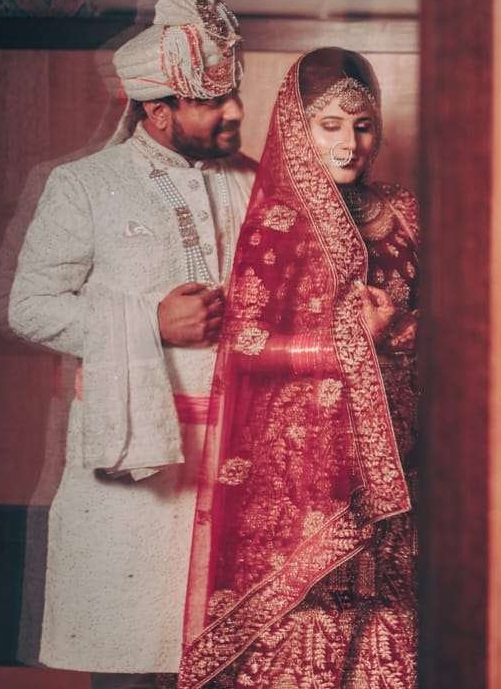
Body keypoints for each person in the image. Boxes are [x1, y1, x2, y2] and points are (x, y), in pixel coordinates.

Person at [7, 0, 253, 686]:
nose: (234, 111)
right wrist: (151, 319)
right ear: (158, 110)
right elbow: (31, 305)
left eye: (231, 94)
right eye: (211, 101)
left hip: (234, 456)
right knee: (128, 658)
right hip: (133, 464)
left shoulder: (253, 183)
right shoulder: (85, 185)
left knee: (226, 659)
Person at [177, 48, 418, 688]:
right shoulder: (277, 221)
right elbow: (244, 344)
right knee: (312, 616)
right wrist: (344, 346)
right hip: (301, 463)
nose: (349, 143)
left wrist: (397, 328)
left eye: (362, 126)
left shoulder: (405, 212)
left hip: (398, 449)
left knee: (390, 608)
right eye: (330, 125)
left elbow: (453, 316)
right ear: (296, 126)